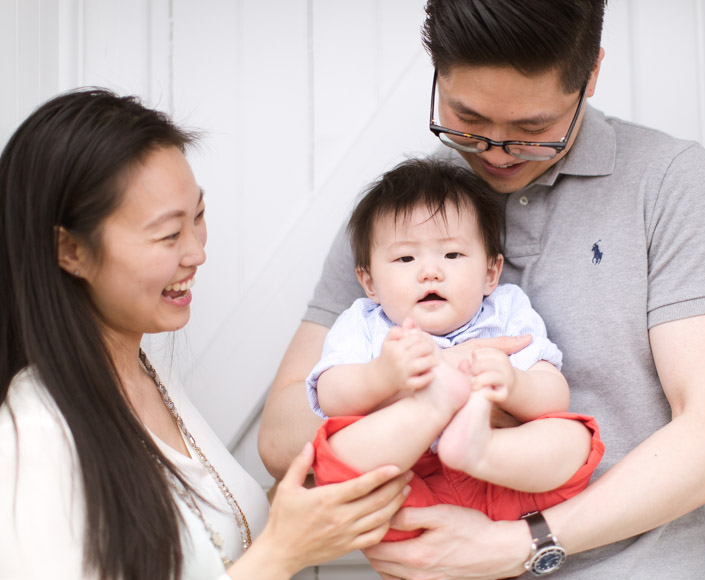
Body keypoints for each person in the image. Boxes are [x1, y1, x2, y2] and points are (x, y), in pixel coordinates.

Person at [259, 0, 705, 578]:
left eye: (532, 130)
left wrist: (522, 542)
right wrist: (427, 388)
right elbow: (280, 437)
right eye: (466, 118)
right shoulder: (402, 219)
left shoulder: (669, 183)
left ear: (591, 74)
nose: (494, 151)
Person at [0, 89, 411, 580]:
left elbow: (208, 545)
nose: (196, 252)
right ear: (70, 251)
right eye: (168, 234)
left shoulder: (150, 378)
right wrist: (283, 552)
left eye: (198, 217)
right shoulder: (33, 435)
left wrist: (302, 503)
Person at [307, 159, 604, 542]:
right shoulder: (364, 324)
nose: (430, 272)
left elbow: (553, 393)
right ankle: (433, 405)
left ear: (490, 274)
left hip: (505, 480)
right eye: (405, 258)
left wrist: (515, 385)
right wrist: (381, 375)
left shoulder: (506, 310)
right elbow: (332, 397)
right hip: (411, 487)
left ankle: (477, 450)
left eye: (451, 255)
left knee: (573, 436)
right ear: (370, 283)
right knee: (335, 455)